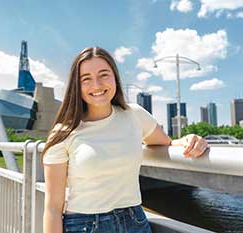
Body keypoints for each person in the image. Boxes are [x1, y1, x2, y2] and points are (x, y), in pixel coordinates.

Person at [42, 47, 208, 233]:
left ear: (115, 78)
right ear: (76, 85)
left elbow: (166, 143)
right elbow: (53, 208)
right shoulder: (63, 133)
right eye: (86, 79)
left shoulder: (134, 115)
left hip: (134, 221)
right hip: (85, 225)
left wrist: (189, 140)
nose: (96, 85)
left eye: (104, 75)